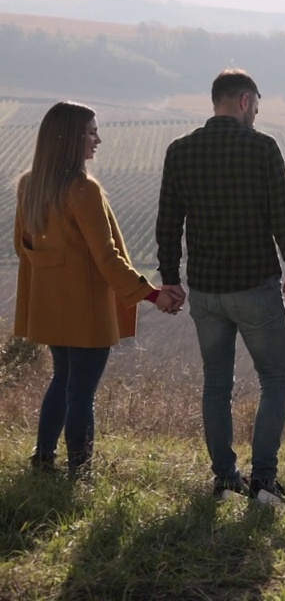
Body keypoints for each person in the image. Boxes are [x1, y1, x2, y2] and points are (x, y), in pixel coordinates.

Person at [155, 69, 285, 506]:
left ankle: (224, 479)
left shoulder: (180, 151)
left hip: (205, 290)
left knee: (216, 383)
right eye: (256, 103)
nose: (257, 112)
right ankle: (263, 481)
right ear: (243, 100)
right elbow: (283, 216)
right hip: (254, 286)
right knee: (275, 380)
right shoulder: (262, 148)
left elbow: (169, 223)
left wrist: (170, 277)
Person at [13, 101, 180, 478]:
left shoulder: (29, 186)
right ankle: (80, 472)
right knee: (81, 391)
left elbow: (20, 247)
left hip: (51, 305)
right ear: (70, 138)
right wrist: (152, 294)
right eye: (91, 132)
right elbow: (107, 258)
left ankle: (43, 459)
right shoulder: (82, 190)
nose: (98, 140)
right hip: (86, 308)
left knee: (62, 379)